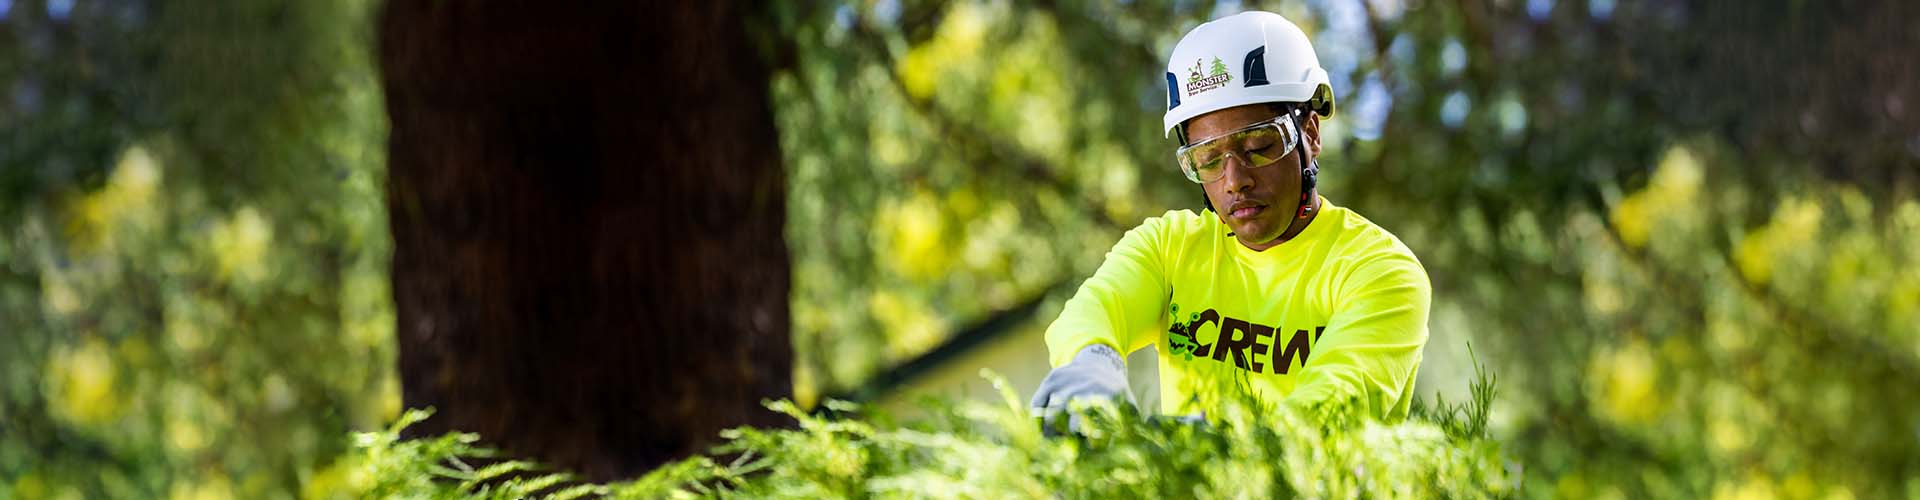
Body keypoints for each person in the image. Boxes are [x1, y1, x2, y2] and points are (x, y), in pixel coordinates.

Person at [1029, 11, 1430, 429]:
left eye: (1258, 146)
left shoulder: (1381, 273)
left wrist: (1186, 446)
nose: (1234, 180)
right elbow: (1090, 314)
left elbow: (1321, 423)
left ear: (1309, 134)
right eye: (1208, 160)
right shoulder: (1170, 248)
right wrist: (1094, 364)